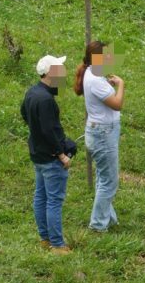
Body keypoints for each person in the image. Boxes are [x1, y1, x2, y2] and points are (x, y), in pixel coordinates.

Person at [21, 55, 77, 254]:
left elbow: (24, 115)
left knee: (41, 197)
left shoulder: (32, 93)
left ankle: (45, 239)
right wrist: (61, 154)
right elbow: (49, 131)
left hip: (38, 155)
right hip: (51, 158)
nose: (64, 73)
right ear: (51, 73)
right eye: (60, 69)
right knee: (53, 200)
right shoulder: (46, 100)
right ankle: (57, 244)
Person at [75, 40, 125, 231]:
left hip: (99, 131)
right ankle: (98, 225)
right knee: (109, 181)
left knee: (103, 178)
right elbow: (117, 104)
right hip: (104, 133)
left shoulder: (92, 73)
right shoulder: (96, 79)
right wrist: (121, 85)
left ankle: (108, 218)